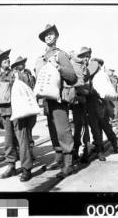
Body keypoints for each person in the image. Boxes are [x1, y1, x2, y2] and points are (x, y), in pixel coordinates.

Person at [36, 24, 77, 177]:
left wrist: (59, 67)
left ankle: (68, 163)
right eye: (45, 35)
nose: (48, 36)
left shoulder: (61, 55)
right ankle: (58, 158)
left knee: (63, 130)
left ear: (56, 36)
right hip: (47, 100)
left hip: (59, 99)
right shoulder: (41, 58)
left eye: (51, 34)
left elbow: (72, 77)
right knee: (53, 131)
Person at [0, 49, 33, 182]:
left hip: (18, 112)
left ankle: (26, 168)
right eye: (3, 58)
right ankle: (11, 166)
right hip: (4, 114)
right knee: (8, 141)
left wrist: (20, 76)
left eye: (7, 58)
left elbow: (27, 86)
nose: (7, 60)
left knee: (22, 140)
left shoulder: (16, 74)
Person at [11, 56, 37, 161]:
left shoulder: (29, 75)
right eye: (21, 63)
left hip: (30, 105)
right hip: (20, 106)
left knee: (29, 130)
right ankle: (22, 153)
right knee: (20, 133)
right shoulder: (14, 75)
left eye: (23, 62)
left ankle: (30, 152)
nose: (23, 64)